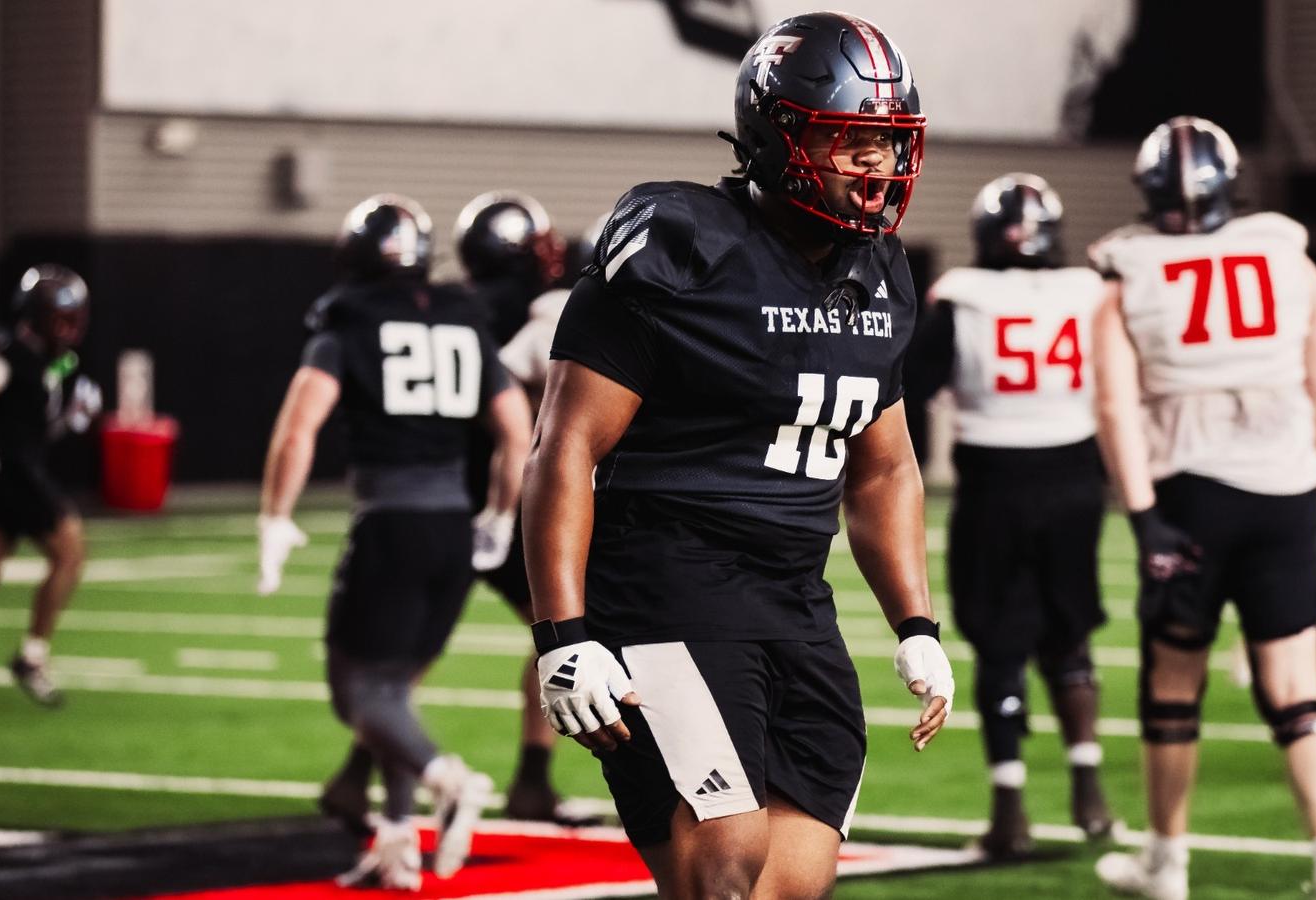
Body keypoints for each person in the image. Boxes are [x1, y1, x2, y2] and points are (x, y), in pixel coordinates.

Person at [521, 12, 954, 899]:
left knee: (794, 881)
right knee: (722, 862)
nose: (876, 164)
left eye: (889, 140)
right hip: (668, 581)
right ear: (779, 135)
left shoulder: (881, 273)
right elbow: (564, 445)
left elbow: (884, 466)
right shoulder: (682, 243)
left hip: (796, 597)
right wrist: (563, 638)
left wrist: (915, 623)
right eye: (850, 140)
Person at [1089, 117, 1316, 899]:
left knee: (1173, 684)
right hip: (1286, 492)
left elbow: (1113, 407)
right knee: (1298, 689)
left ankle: (1166, 864)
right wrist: (1307, 489)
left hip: (1191, 494)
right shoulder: (1291, 261)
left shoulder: (1128, 274)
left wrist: (1144, 518)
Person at [258, 194, 532, 888]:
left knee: (357, 691)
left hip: (390, 520)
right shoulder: (461, 315)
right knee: (392, 690)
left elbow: (298, 427)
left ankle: (449, 780)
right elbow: (515, 427)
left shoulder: (346, 320)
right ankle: (397, 840)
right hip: (453, 530)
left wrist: (275, 516)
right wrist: (500, 514)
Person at [905, 172, 1112, 856]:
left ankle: (1010, 811)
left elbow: (909, 392)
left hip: (996, 479)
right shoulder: (1089, 291)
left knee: (1000, 643)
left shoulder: (961, 298)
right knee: (1069, 634)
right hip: (1077, 476)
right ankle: (1089, 788)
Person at [453, 190, 576, 821]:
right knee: (557, 630)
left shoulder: (447, 307)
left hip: (435, 495)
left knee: (404, 653)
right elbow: (524, 418)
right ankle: (532, 778)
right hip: (505, 500)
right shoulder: (542, 310)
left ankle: (369, 766)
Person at [0, 265, 102, 708]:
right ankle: (32, 657)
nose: (69, 330)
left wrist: (70, 418)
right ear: (35, 316)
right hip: (11, 477)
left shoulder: (50, 364)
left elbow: (31, 427)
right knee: (70, 552)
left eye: (74, 320)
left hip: (17, 475)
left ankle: (32, 657)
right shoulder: (4, 357)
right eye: (61, 320)